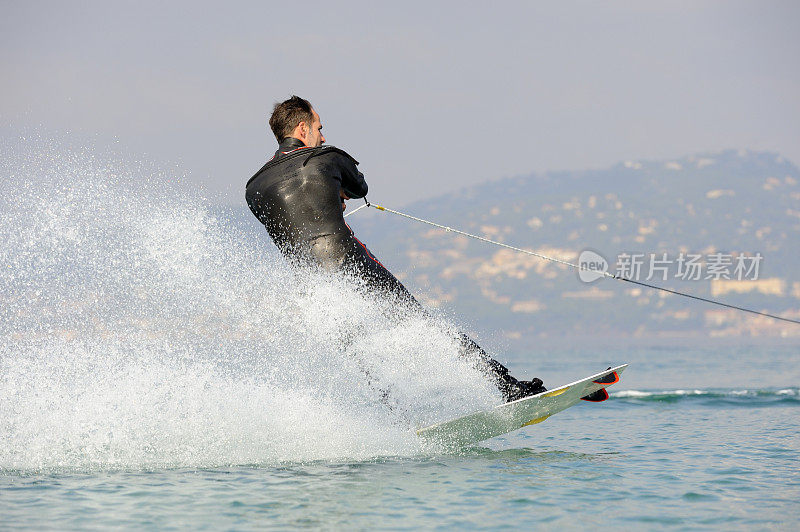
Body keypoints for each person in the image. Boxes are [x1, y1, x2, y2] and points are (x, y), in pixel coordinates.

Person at [245, 95, 545, 402]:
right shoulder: (327, 157)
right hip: (348, 263)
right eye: (319, 128)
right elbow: (359, 188)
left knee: (361, 354)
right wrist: (335, 191)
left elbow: (289, 222)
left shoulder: (253, 187)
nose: (322, 136)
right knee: (423, 327)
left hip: (311, 286)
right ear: (301, 128)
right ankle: (508, 387)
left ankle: (400, 421)